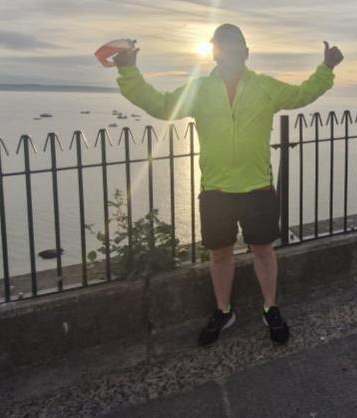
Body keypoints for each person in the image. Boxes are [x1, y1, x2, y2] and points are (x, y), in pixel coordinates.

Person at [111, 24, 344, 346]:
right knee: (219, 254)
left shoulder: (264, 87)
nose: (228, 55)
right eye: (221, 49)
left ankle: (270, 307)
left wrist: (326, 69)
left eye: (234, 49)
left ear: (246, 53)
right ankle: (224, 311)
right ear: (214, 53)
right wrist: (128, 71)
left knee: (263, 250)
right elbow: (162, 105)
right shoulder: (200, 90)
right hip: (216, 189)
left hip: (257, 187)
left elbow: (302, 95)